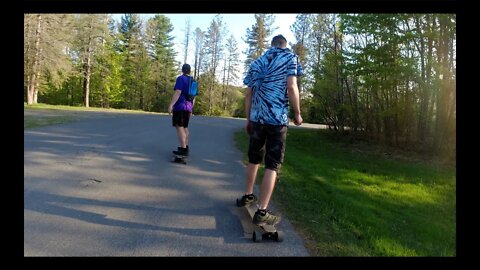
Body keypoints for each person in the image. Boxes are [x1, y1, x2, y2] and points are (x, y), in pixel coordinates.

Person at [239, 34, 303, 226]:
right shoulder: (290, 57)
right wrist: (298, 113)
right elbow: (291, 87)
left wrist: (248, 118)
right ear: (285, 45)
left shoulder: (257, 62)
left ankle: (249, 195)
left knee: (253, 158)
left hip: (257, 119)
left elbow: (248, 93)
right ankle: (262, 211)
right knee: (272, 164)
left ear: (272, 45)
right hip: (276, 120)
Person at [168, 64, 195, 156]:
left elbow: (178, 92)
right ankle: (185, 147)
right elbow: (193, 97)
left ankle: (183, 149)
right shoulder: (193, 81)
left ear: (182, 70)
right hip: (188, 107)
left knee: (179, 126)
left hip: (180, 106)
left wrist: (171, 105)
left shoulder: (181, 79)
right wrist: (191, 108)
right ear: (189, 71)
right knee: (185, 127)